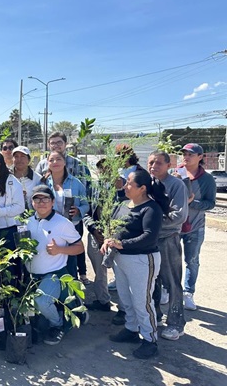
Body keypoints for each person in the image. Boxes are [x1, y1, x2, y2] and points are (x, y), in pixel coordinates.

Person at [102, 170, 171, 359]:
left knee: (142, 302)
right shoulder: (125, 204)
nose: (125, 186)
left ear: (142, 188)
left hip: (142, 260)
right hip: (121, 259)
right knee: (125, 298)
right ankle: (131, 329)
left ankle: (150, 339)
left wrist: (122, 244)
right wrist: (109, 240)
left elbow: (149, 237)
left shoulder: (151, 209)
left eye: (129, 183)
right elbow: (116, 228)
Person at [25, 185, 85, 346]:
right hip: (32, 276)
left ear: (52, 202)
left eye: (45, 199)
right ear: (32, 202)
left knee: (42, 301)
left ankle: (57, 325)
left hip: (53, 274)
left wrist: (60, 249)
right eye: (37, 198)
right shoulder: (28, 222)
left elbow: (80, 247)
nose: (41, 202)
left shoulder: (62, 223)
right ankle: (64, 310)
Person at [147, 151, 189, 340]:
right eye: (150, 162)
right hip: (150, 240)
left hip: (168, 238)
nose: (154, 166)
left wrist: (151, 222)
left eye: (158, 163)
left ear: (168, 165)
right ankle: (155, 315)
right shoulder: (148, 183)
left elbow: (179, 216)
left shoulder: (176, 185)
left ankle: (176, 323)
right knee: (152, 282)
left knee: (172, 282)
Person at [177, 143, 216, 311]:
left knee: (192, 261)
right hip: (174, 226)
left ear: (200, 157)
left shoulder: (207, 179)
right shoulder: (176, 173)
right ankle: (166, 289)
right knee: (169, 259)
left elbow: (210, 203)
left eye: (191, 154)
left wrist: (193, 202)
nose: (186, 157)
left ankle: (188, 293)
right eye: (184, 153)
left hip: (195, 227)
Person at [82, 158, 125, 313]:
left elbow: (130, 211)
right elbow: (86, 212)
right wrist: (93, 229)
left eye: (109, 168)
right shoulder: (93, 187)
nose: (105, 171)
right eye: (101, 169)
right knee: (99, 271)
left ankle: (124, 308)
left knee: (121, 272)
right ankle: (103, 300)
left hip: (118, 237)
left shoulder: (126, 186)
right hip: (96, 235)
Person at [40, 151, 89, 283]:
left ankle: (72, 299)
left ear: (64, 162)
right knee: (53, 263)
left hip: (69, 228)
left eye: (58, 159)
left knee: (70, 264)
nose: (55, 162)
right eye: (51, 160)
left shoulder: (76, 183)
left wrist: (79, 210)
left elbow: (86, 204)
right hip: (50, 229)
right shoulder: (43, 183)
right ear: (47, 163)